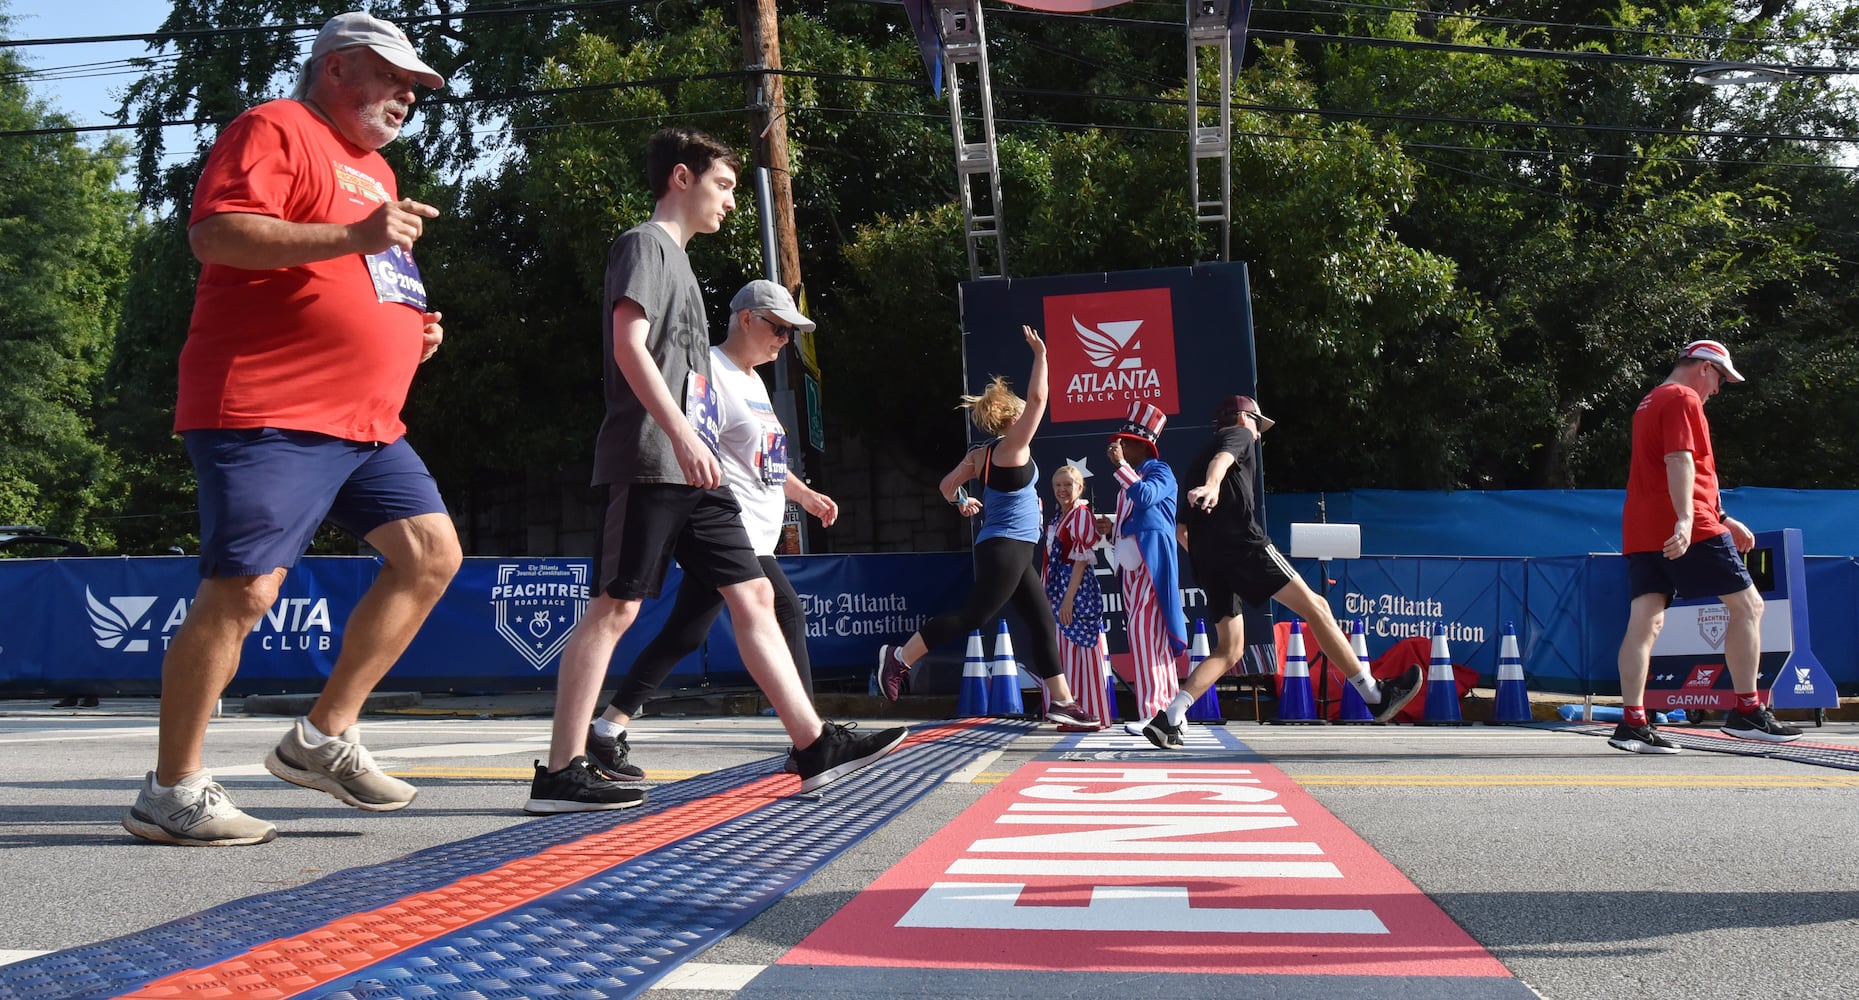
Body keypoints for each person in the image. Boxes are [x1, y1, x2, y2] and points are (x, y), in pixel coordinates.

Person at [123, 12, 461, 847]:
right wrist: (355, 234)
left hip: (366, 422)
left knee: (431, 556)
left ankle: (320, 739)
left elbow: (359, 278)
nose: (407, 100)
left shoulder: (376, 169)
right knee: (242, 593)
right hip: (269, 407)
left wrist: (410, 328)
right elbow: (218, 234)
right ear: (340, 68)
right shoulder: (275, 126)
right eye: (394, 80)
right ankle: (171, 792)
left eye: (416, 90)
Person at [532, 127, 905, 813]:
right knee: (616, 607)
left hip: (693, 472)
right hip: (652, 458)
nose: (731, 201)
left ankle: (812, 743)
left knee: (755, 596)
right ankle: (560, 770)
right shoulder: (644, 245)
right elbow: (627, 345)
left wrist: (700, 441)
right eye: (725, 185)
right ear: (681, 177)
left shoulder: (680, 264)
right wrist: (679, 431)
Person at [586, 279, 841, 781]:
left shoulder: (754, 382)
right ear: (746, 318)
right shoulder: (708, 370)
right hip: (726, 524)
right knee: (782, 607)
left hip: (757, 530)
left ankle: (605, 729)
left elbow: (762, 460)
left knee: (684, 634)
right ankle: (811, 738)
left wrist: (804, 495)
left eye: (791, 333)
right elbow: (693, 442)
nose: (784, 340)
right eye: (777, 328)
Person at [1143, 396, 1422, 750]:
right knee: (1317, 607)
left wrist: (1211, 554)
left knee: (1229, 649)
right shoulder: (1238, 435)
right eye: (1258, 425)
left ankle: (1171, 716)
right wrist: (1214, 486)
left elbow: (1182, 530)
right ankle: (1374, 694)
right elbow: (1223, 460)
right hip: (1244, 545)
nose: (1259, 436)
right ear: (1245, 418)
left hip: (1208, 561)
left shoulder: (1192, 464)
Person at [876, 327, 1099, 728]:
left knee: (1042, 621)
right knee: (973, 617)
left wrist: (963, 501)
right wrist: (1041, 356)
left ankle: (1062, 701)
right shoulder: (1013, 448)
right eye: (1023, 416)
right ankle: (899, 657)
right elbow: (1039, 398)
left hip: (1009, 548)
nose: (1029, 420)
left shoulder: (980, 455)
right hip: (1007, 547)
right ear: (1014, 419)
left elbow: (946, 487)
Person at [1609, 339, 1801, 754]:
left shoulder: (1649, 401)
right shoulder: (1682, 397)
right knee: (1749, 607)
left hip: (1642, 528)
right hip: (1688, 525)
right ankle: (1747, 711)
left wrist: (1726, 519)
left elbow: (1669, 470)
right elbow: (1679, 460)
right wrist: (1686, 518)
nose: (1717, 390)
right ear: (1704, 368)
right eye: (1720, 380)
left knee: (1645, 621)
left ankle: (1632, 723)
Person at [1104, 403, 1185, 734]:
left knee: (1145, 635)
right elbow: (1134, 516)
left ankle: (1155, 713)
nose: (1119, 447)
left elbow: (1146, 497)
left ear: (1141, 446)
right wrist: (1108, 525)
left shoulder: (1159, 471)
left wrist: (1121, 466)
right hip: (1134, 565)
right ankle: (1168, 714)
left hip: (1150, 563)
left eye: (1125, 442)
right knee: (1149, 638)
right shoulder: (1134, 477)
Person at [1043, 465, 1110, 730]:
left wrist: (1068, 599)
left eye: (1068, 484)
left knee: (1084, 653)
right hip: (1060, 588)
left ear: (1080, 488)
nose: (1062, 490)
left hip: (1076, 590)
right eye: (1058, 485)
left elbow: (1081, 562)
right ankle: (1075, 712)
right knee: (1068, 654)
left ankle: (1094, 713)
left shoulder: (1080, 515)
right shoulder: (1060, 518)